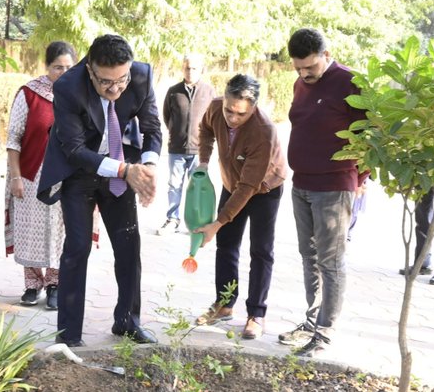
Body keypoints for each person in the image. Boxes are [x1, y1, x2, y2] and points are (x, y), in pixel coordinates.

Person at [37, 34, 162, 347]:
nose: (116, 89)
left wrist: (148, 168)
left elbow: (152, 129)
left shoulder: (142, 76)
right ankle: (68, 335)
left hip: (122, 171)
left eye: (122, 79)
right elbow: (74, 148)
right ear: (90, 70)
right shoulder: (67, 87)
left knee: (129, 246)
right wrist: (125, 170)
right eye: (106, 82)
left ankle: (127, 323)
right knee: (77, 248)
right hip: (79, 173)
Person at [280, 28, 367, 357]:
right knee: (309, 257)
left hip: (334, 186)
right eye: (298, 68)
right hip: (301, 183)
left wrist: (361, 178)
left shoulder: (350, 82)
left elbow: (368, 135)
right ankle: (312, 320)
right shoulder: (300, 83)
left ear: (327, 56)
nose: (304, 75)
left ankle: (325, 333)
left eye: (310, 68)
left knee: (331, 262)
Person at [193, 74, 286, 340]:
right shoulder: (215, 108)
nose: (232, 118)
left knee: (261, 251)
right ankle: (224, 304)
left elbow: (249, 186)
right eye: (228, 111)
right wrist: (203, 161)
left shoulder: (263, 131)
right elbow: (206, 130)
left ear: (253, 107)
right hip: (232, 182)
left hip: (264, 188)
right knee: (226, 244)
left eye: (240, 114)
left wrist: (218, 221)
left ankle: (256, 313)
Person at [5, 41, 77, 310]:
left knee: (59, 232)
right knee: (31, 229)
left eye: (69, 67)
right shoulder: (29, 93)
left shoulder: (78, 95)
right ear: (46, 67)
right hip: (31, 173)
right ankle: (32, 285)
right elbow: (13, 138)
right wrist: (15, 177)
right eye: (57, 67)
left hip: (65, 177)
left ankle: (55, 284)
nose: (63, 72)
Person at [157, 53, 216, 235]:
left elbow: (214, 118)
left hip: (200, 150)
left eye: (194, 68)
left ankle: (196, 223)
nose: (190, 71)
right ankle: (172, 219)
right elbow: (167, 116)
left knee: (198, 188)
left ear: (201, 70)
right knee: (174, 185)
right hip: (176, 149)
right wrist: (177, 133)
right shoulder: (174, 91)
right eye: (187, 67)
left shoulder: (209, 91)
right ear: (183, 68)